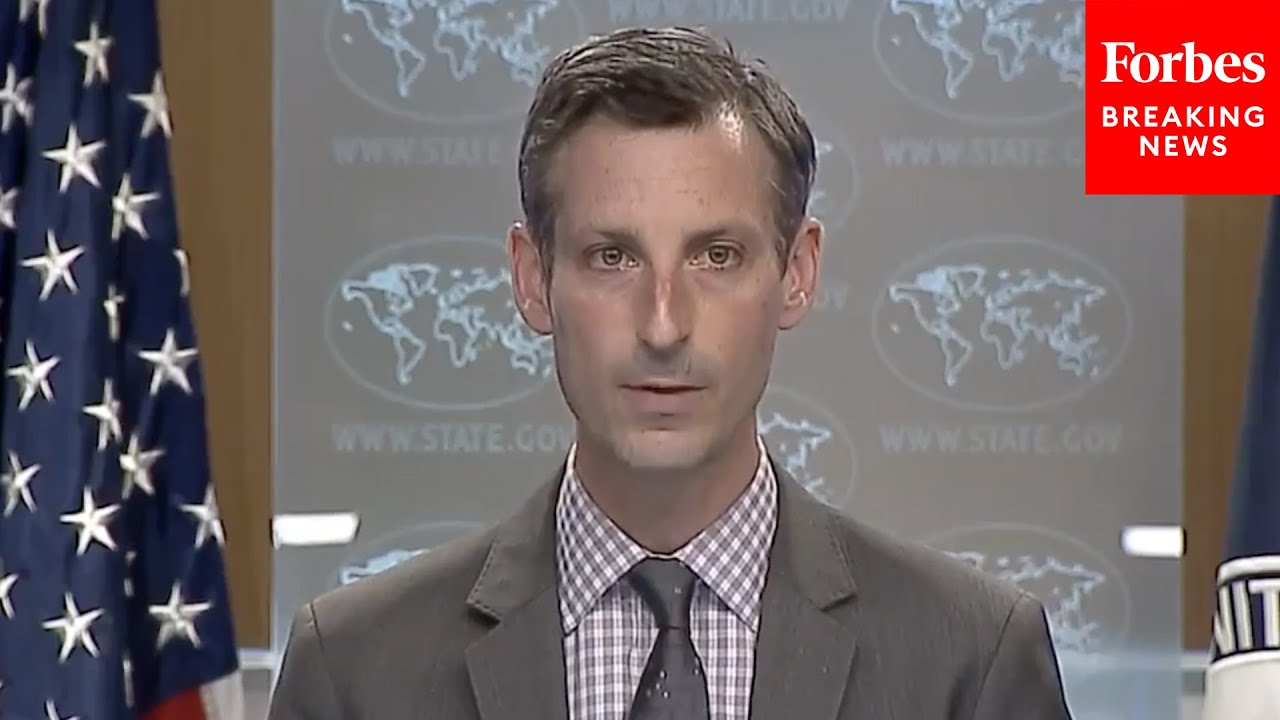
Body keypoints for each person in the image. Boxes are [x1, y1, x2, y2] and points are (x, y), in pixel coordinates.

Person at [267, 26, 1075, 720]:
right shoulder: (355, 672)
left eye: (716, 256)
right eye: (611, 257)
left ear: (797, 273)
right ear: (532, 278)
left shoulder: (969, 663)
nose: (663, 325)